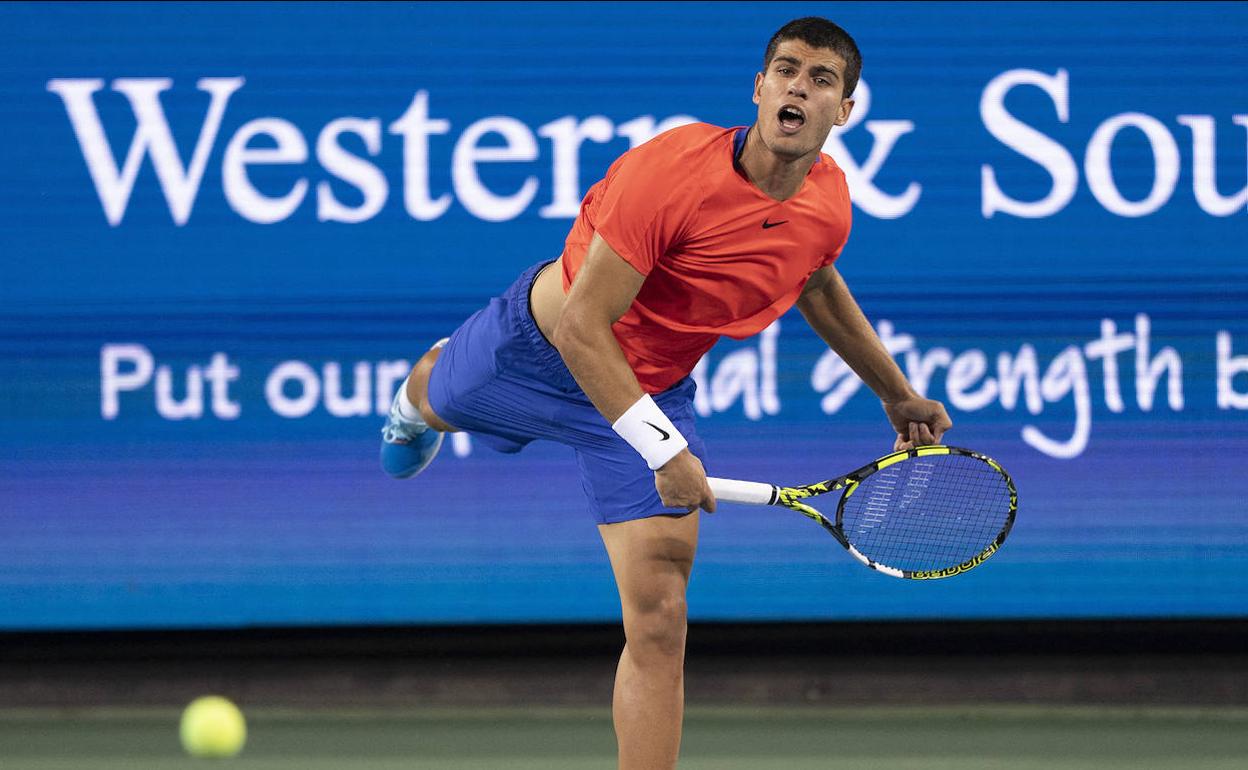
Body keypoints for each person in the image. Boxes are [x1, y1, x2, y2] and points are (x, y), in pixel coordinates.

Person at [380, 16, 951, 770]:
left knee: (661, 617)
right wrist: (662, 446)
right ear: (758, 87)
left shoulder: (828, 202)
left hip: (649, 390)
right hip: (536, 350)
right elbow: (586, 325)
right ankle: (423, 387)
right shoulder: (670, 172)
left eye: (821, 80)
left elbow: (813, 281)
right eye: (786, 69)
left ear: (844, 110)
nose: (798, 88)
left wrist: (895, 391)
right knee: (437, 399)